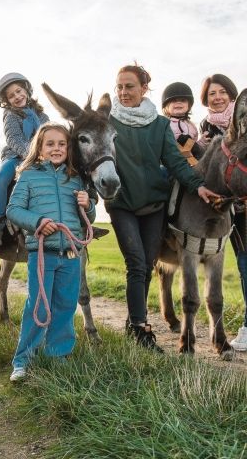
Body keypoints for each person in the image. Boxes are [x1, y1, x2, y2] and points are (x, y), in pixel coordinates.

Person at [105, 64, 219, 353]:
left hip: (154, 205)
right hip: (122, 204)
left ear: (144, 88)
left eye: (129, 86)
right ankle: (140, 328)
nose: (123, 92)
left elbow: (176, 162)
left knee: (146, 263)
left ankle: (134, 321)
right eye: (119, 86)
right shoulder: (109, 123)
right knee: (136, 263)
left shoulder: (158, 125)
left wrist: (199, 186)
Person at [6, 122, 96, 382]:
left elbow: (85, 218)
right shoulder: (29, 176)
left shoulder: (76, 178)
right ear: (40, 148)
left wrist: (88, 205)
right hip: (42, 253)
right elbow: (14, 210)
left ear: (68, 148)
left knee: (66, 306)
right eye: (50, 144)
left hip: (70, 253)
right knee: (39, 305)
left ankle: (58, 355)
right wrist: (37, 222)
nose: (56, 148)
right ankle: (23, 360)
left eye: (62, 144)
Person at [199, 73, 247, 351]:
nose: (216, 97)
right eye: (211, 94)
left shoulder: (243, 121)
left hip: (241, 200)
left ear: (231, 95)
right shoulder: (202, 127)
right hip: (222, 204)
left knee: (244, 262)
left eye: (221, 92)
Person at [0, 72, 49, 246]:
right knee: (2, 177)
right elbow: (14, 139)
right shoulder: (10, 115)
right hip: (16, 156)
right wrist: (31, 155)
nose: (17, 96)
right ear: (6, 101)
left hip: (43, 158)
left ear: (26, 90)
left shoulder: (43, 117)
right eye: (11, 96)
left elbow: (50, 137)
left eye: (18, 91)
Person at [162, 82, 203, 165]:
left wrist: (203, 141)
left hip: (191, 161)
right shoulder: (165, 124)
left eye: (183, 100)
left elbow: (195, 144)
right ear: (166, 106)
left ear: (189, 105)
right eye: (174, 101)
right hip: (172, 160)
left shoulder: (192, 125)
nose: (179, 103)